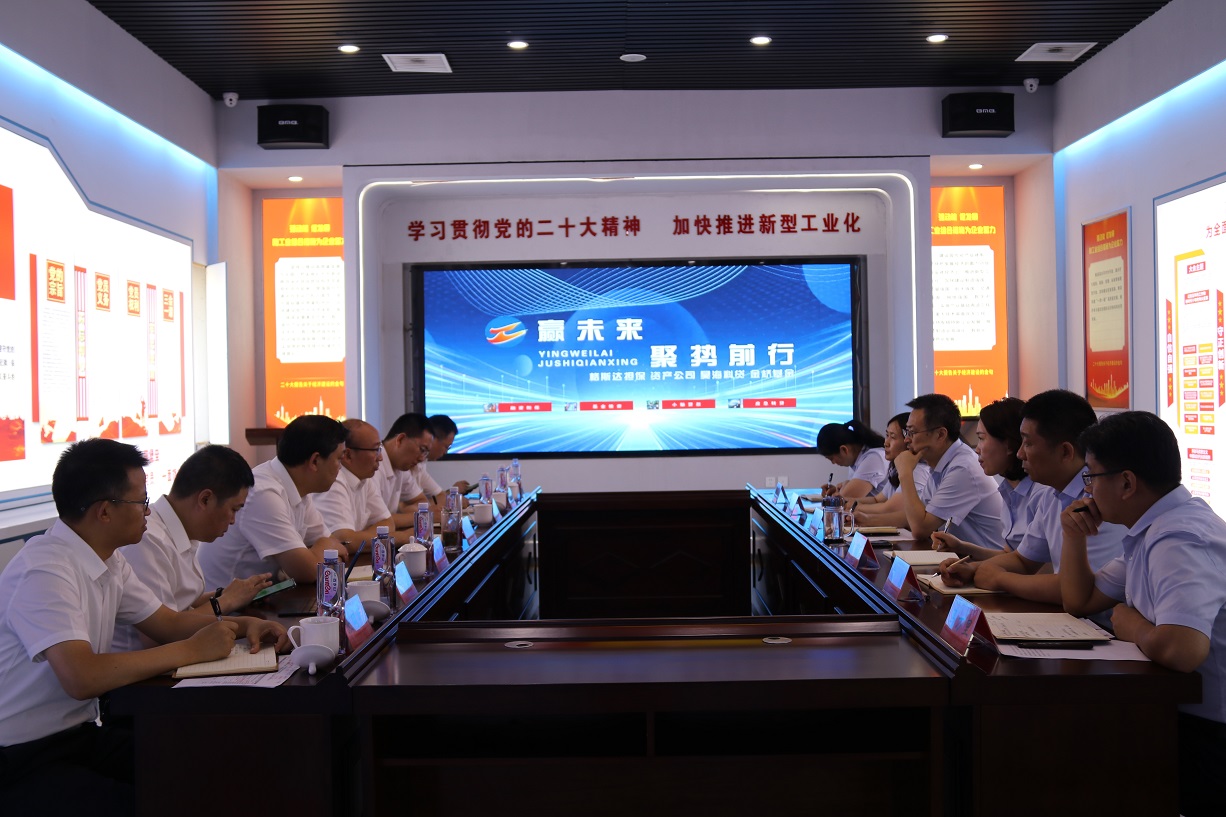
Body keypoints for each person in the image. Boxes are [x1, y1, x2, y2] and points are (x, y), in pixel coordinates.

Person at [0, 439, 286, 815]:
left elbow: (167, 622)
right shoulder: (45, 568)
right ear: (105, 511)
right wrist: (191, 650)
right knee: (154, 801)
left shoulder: (110, 561)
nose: (148, 511)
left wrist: (245, 624)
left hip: (79, 737)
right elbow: (80, 676)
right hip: (22, 757)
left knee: (204, 767)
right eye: (141, 501)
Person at [1059, 411, 1226, 816]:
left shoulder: (1179, 537)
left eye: (1091, 477)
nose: (1087, 490)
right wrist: (1073, 536)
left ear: (1127, 483)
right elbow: (1081, 600)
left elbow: (1182, 650)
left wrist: (1132, 624)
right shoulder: (1153, 529)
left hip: (1210, 733)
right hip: (1172, 708)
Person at [937, 389, 1125, 605]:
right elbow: (1023, 560)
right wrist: (971, 569)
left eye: (1028, 443)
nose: (1020, 454)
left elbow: (1078, 587)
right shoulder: (1052, 495)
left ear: (1065, 452)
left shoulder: (1100, 500)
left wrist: (1000, 579)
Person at [112, 445, 273, 652]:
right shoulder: (147, 539)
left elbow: (180, 604)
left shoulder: (180, 531)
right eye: (233, 509)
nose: (233, 521)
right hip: (152, 665)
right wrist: (227, 601)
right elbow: (159, 636)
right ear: (205, 499)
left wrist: (232, 595)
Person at [199, 414, 349, 586]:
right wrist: (322, 548)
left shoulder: (299, 489)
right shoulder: (263, 493)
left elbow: (337, 550)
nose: (340, 467)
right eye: (339, 459)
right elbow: (307, 571)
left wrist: (321, 551)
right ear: (315, 461)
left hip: (264, 596)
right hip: (227, 601)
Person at [893, 393, 1004, 547]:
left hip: (986, 559)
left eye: (912, 432)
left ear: (940, 434)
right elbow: (916, 516)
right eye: (907, 432)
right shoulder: (941, 464)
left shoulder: (963, 468)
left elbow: (920, 528)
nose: (906, 439)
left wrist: (905, 473)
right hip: (963, 558)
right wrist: (866, 519)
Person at [933, 397, 1035, 561]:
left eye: (981, 438)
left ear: (1009, 444)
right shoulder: (1009, 489)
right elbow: (1010, 556)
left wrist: (973, 568)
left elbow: (1028, 567)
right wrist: (961, 547)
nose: (977, 449)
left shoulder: (1039, 493)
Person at [313, 419, 397, 545]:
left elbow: (387, 522)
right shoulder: (333, 481)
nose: (380, 457)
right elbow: (345, 540)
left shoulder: (364, 478)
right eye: (375, 450)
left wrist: (359, 539)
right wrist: (404, 537)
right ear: (348, 455)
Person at [853, 412, 932, 528]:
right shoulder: (896, 469)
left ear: (908, 441)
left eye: (893, 437)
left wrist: (854, 507)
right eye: (887, 435)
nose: (886, 443)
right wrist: (848, 503)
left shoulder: (918, 471)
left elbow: (889, 509)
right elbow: (877, 500)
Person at [372, 412, 435, 530]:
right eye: (422, 450)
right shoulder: (373, 468)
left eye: (426, 453)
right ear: (400, 440)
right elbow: (377, 522)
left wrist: (406, 511)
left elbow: (422, 502)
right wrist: (423, 517)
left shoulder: (401, 468)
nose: (422, 459)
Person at [815, 419, 888, 500]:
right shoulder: (856, 459)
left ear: (844, 449)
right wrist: (837, 490)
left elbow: (845, 498)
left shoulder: (874, 458)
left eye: (831, 458)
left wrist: (845, 485)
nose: (833, 463)